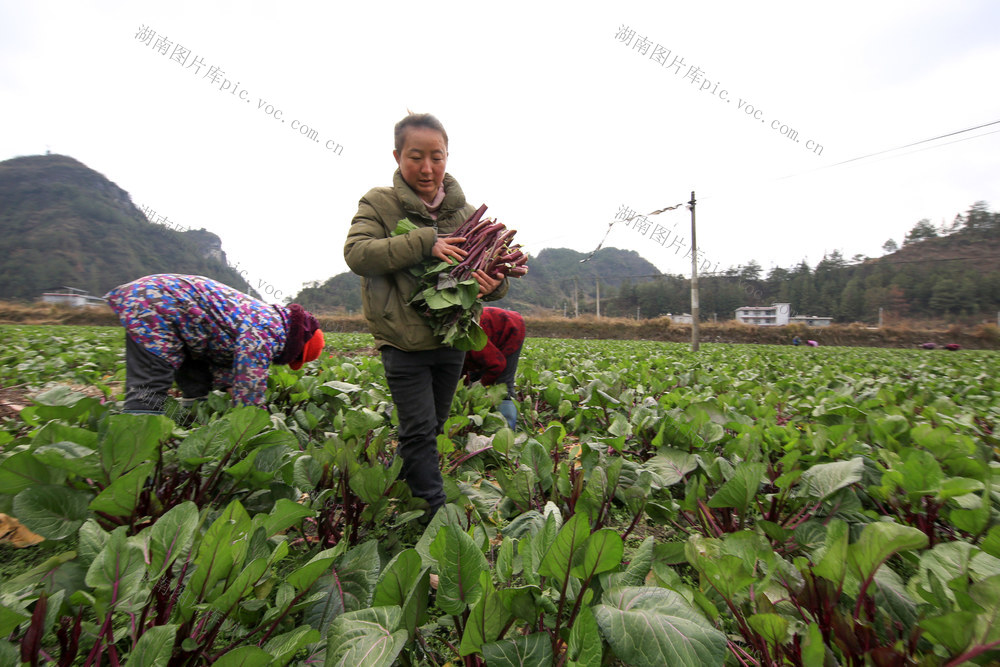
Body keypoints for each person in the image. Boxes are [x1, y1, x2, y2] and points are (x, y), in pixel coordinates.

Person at [344, 112, 507, 518]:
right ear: (398, 156)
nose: (427, 168)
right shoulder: (378, 203)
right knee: (418, 429)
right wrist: (425, 242)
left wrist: (494, 284)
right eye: (416, 156)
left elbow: (494, 273)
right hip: (402, 338)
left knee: (431, 425)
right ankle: (435, 517)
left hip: (450, 337)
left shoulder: (464, 212)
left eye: (437, 156)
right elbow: (357, 254)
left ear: (447, 156)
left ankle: (406, 482)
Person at [105, 274, 324, 415]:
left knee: (197, 383)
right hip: (157, 303)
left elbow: (224, 351)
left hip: (180, 320)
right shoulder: (268, 329)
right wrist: (255, 423)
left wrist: (227, 386)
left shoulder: (268, 320)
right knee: (148, 389)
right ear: (294, 348)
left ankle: (191, 424)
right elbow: (250, 386)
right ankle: (135, 463)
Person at [462, 307, 525, 429]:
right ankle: (479, 422)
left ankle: (507, 429)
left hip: (510, 327)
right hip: (487, 332)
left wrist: (482, 383)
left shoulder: (472, 343)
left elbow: (497, 364)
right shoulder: (450, 351)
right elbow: (461, 375)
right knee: (474, 377)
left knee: (504, 384)